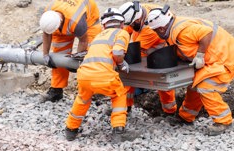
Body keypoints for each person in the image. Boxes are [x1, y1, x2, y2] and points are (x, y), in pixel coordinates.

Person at [147, 5, 234, 136]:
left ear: (161, 28)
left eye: (156, 30)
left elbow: (207, 33)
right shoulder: (174, 27)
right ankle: (185, 117)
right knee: (194, 85)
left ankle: (223, 121)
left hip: (225, 57)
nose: (156, 33)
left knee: (206, 87)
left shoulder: (182, 30)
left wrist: (200, 55)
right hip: (215, 58)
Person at [64, 8, 131, 141]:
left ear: (104, 25)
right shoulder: (122, 33)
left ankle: (71, 129)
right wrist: (122, 64)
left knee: (83, 99)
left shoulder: (98, 36)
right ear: (122, 24)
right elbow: (118, 53)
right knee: (119, 94)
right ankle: (118, 131)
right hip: (103, 75)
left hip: (84, 75)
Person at [118, 1, 177, 115]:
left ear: (137, 20)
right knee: (128, 73)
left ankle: (170, 111)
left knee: (162, 80)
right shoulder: (139, 10)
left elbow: (136, 48)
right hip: (144, 45)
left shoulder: (149, 29)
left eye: (130, 24)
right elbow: (125, 31)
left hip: (161, 51)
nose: (129, 26)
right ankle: (126, 106)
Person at [39, 0, 102, 102]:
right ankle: (56, 90)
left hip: (89, 22)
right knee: (59, 55)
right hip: (66, 21)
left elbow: (83, 40)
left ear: (59, 23)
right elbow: (46, 34)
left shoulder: (77, 22)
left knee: (91, 55)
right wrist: (45, 55)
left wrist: (77, 60)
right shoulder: (48, 14)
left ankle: (94, 90)